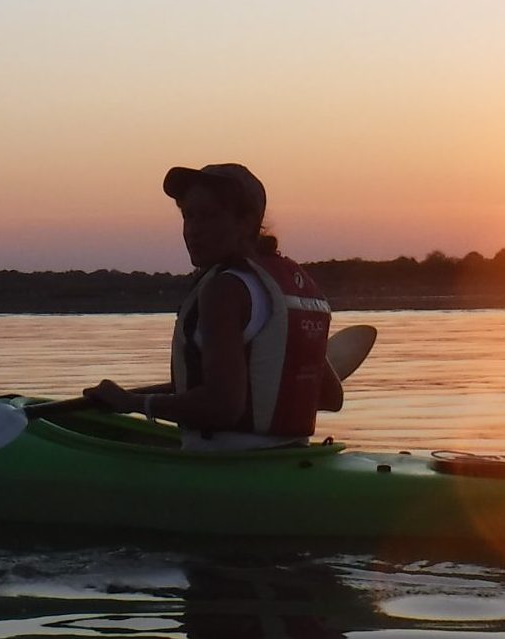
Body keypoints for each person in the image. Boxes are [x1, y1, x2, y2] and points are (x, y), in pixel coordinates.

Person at [86, 164, 342, 450]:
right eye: (188, 216)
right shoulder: (289, 285)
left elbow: (223, 406)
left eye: (208, 216)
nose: (193, 230)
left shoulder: (224, 290)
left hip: (226, 463)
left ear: (245, 222)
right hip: (291, 455)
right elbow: (330, 396)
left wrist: (133, 403)